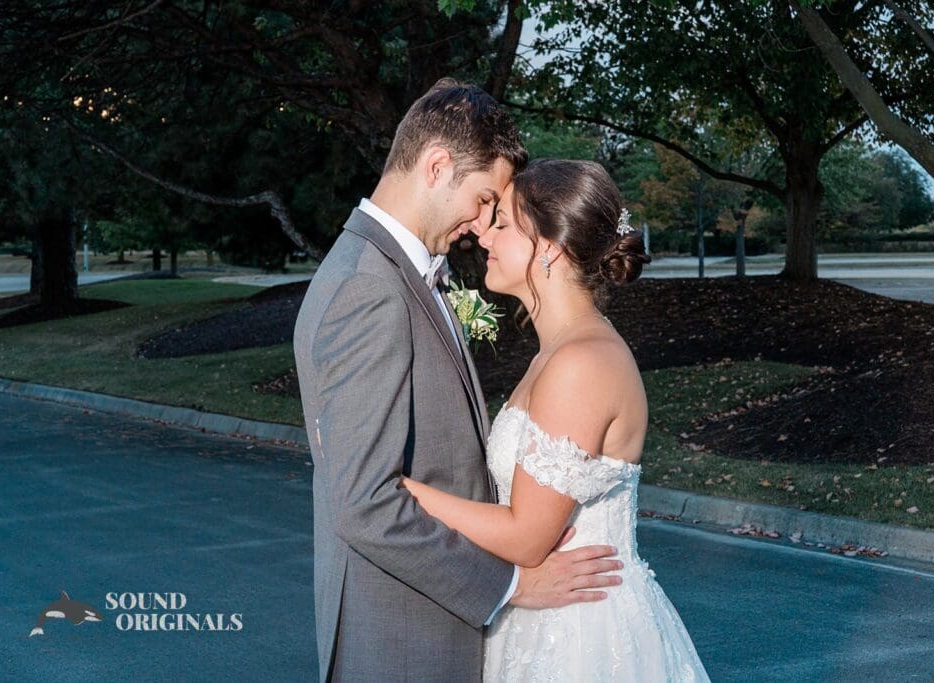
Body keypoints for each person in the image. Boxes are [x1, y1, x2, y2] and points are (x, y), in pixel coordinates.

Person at [292, 80, 624, 682]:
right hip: (400, 639)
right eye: (482, 198)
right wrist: (512, 585)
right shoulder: (372, 288)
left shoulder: (395, 273)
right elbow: (365, 504)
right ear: (437, 166)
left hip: (425, 629)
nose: (481, 223)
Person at [400, 158, 712, 681]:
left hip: (581, 638)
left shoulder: (581, 362)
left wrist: (400, 488)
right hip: (543, 617)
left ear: (547, 246)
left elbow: (527, 538)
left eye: (501, 224)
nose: (483, 237)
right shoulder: (560, 350)